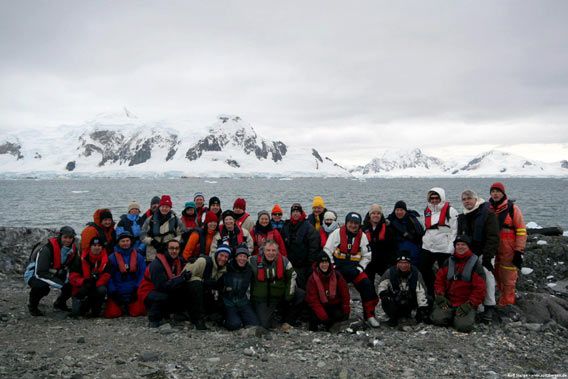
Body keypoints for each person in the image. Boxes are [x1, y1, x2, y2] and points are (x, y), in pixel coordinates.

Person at [323, 212, 380, 327]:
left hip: (354, 270)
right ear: (346, 222)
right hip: (338, 270)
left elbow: (367, 255)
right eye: (351, 223)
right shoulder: (336, 233)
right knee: (335, 290)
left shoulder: (362, 236)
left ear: (359, 225)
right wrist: (332, 266)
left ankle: (369, 315)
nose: (353, 225)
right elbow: (327, 251)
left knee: (367, 286)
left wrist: (360, 268)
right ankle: (339, 314)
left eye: (356, 223)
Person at [137, 240, 206, 329]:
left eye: (177, 248)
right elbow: (161, 287)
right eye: (171, 248)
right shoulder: (157, 264)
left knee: (192, 285)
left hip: (166, 288)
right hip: (149, 292)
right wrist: (182, 278)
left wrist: (190, 261)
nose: (174, 251)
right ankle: (154, 318)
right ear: (166, 249)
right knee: (162, 296)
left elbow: (182, 266)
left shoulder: (177, 260)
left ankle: (184, 314)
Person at [458, 189, 500, 322]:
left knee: (487, 276)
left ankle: (489, 306)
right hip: (469, 253)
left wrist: (487, 257)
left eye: (469, 198)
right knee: (467, 278)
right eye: (464, 199)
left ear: (476, 199)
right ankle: (474, 304)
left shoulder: (488, 214)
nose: (467, 201)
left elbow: (493, 237)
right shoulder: (463, 217)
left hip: (484, 253)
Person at [431, 236, 486, 333]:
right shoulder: (448, 261)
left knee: (463, 327)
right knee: (437, 320)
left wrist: (470, 304)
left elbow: (480, 288)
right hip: (449, 301)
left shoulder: (475, 264)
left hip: (465, 303)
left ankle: (462, 316)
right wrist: (440, 295)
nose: (460, 247)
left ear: (468, 247)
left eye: (463, 244)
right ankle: (451, 315)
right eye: (458, 244)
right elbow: (439, 280)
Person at [24, 226, 78, 316]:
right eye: (65, 237)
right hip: (34, 273)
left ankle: (60, 303)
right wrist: (60, 284)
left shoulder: (73, 250)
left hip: (55, 272)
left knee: (72, 284)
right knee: (42, 287)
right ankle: (32, 306)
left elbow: (73, 267)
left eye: (70, 238)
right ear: (60, 236)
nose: (68, 240)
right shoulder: (47, 249)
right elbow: (40, 272)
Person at [488, 182, 527, 306]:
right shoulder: (487, 208)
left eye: (498, 191)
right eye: (493, 191)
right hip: (493, 247)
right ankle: (501, 297)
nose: (495, 194)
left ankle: (508, 303)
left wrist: (519, 250)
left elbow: (521, 230)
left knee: (508, 276)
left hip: (508, 248)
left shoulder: (512, 209)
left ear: (503, 193)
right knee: (496, 273)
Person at [249, 240, 300, 329]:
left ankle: (288, 320)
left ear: (277, 251)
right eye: (268, 250)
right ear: (263, 251)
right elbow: (241, 261)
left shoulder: (284, 261)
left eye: (273, 250)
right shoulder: (253, 261)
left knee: (300, 294)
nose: (271, 253)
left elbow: (292, 275)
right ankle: (274, 318)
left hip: (280, 296)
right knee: (264, 325)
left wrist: (288, 296)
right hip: (263, 299)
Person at [420, 188, 459, 298]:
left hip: (444, 248)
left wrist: (451, 247)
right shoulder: (427, 211)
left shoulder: (451, 211)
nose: (434, 200)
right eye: (432, 198)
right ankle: (431, 290)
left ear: (441, 197)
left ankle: (446, 294)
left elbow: (454, 230)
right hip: (428, 246)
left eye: (437, 198)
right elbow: (426, 227)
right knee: (424, 269)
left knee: (446, 273)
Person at [377, 252, 429, 326]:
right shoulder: (389, 272)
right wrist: (384, 295)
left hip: (410, 301)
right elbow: (381, 287)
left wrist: (422, 308)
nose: (403, 265)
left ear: (410, 264)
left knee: (428, 299)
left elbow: (421, 292)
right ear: (397, 264)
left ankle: (418, 318)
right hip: (395, 300)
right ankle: (393, 318)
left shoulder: (416, 273)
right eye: (401, 263)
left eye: (406, 263)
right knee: (385, 298)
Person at [104, 232, 146, 318]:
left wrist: (137, 289)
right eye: (122, 241)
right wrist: (113, 292)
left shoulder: (139, 257)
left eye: (127, 241)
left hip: (133, 291)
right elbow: (108, 277)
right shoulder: (111, 258)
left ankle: (129, 306)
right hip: (118, 291)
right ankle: (120, 305)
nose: (125, 243)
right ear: (118, 243)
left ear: (131, 242)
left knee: (137, 312)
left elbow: (143, 275)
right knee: (112, 314)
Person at [185, 245, 231, 323]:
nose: (223, 259)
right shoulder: (203, 261)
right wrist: (203, 282)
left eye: (226, 257)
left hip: (202, 293)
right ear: (216, 254)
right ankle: (197, 318)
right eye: (221, 255)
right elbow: (186, 277)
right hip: (187, 292)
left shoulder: (223, 270)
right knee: (197, 284)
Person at [306, 253, 351, 331]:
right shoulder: (312, 278)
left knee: (339, 317)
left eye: (326, 262)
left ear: (329, 263)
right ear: (318, 264)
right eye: (322, 263)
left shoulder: (337, 275)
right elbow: (313, 300)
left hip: (333, 304)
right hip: (320, 305)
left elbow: (345, 294)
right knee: (313, 324)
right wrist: (324, 317)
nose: (324, 265)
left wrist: (346, 309)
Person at [280, 203, 321, 290]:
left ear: (301, 213)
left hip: (303, 265)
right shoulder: (286, 226)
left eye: (298, 211)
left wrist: (310, 262)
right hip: (289, 262)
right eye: (293, 211)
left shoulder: (308, 227)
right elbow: (282, 243)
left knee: (302, 286)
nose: (295, 213)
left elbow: (314, 246)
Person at [69, 237, 111, 317]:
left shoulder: (106, 260)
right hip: (82, 286)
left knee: (102, 290)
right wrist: (83, 282)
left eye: (99, 245)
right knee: (76, 313)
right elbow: (72, 276)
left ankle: (95, 309)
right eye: (94, 245)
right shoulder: (80, 258)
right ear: (90, 247)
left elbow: (106, 275)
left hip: (96, 286)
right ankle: (80, 304)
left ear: (102, 247)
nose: (96, 247)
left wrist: (95, 285)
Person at [222, 245, 259, 330]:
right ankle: (225, 319)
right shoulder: (227, 267)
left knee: (254, 324)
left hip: (242, 301)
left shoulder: (249, 270)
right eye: (240, 256)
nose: (242, 259)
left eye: (245, 256)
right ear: (235, 257)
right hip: (229, 302)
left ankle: (240, 317)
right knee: (234, 325)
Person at [140, 195, 185, 262]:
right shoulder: (150, 220)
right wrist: (152, 241)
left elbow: (182, 235)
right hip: (152, 254)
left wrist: (170, 243)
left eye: (167, 207)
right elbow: (142, 236)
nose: (164, 208)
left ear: (170, 208)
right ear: (159, 207)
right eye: (162, 206)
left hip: (170, 252)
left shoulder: (176, 220)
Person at [363, 204, 396, 286]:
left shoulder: (388, 230)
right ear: (369, 215)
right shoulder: (363, 229)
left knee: (389, 284)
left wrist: (391, 263)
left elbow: (392, 248)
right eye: (373, 213)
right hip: (368, 262)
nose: (376, 215)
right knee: (368, 286)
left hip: (383, 262)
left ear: (381, 215)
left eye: (378, 213)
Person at [387, 201, 424, 267]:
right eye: (397, 210)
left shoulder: (412, 220)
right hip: (397, 250)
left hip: (412, 250)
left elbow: (419, 236)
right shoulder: (391, 220)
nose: (399, 212)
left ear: (405, 210)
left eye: (401, 210)